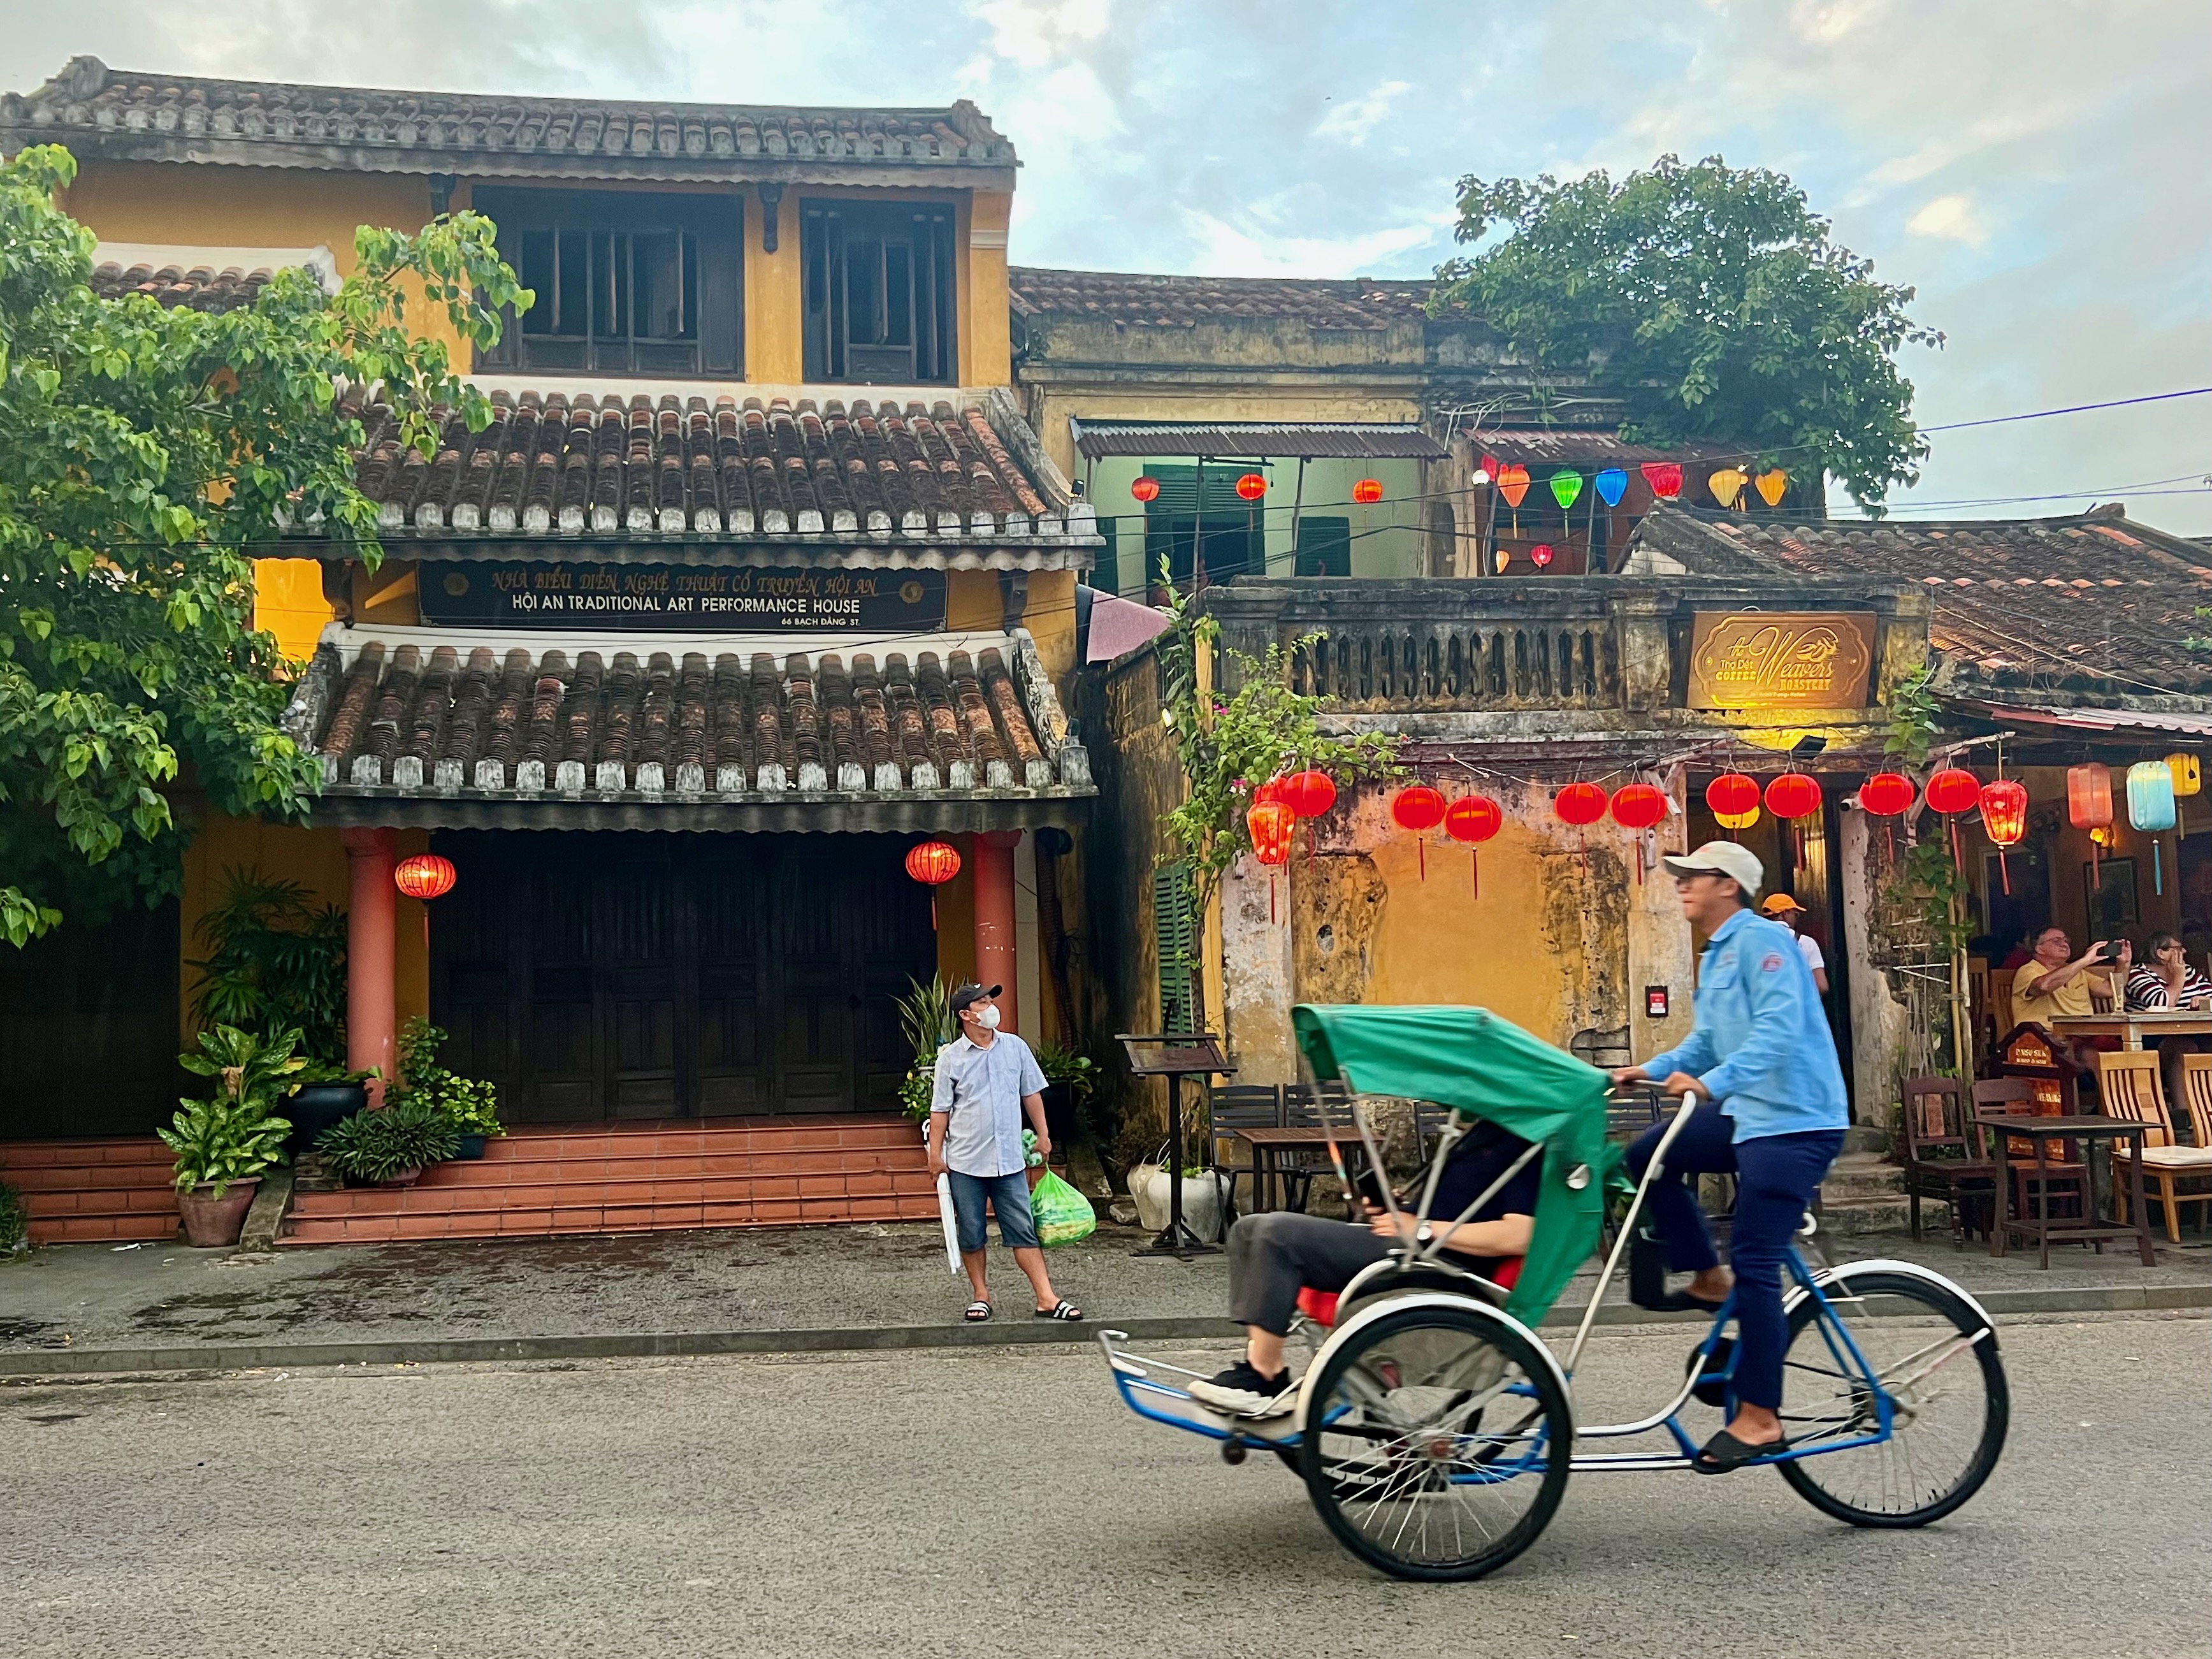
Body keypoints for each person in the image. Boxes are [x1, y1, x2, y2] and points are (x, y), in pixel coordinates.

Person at [1610, 841, 1847, 1475]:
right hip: (1750, 1113)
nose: (1682, 884)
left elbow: (1779, 1030)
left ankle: (1761, 1416)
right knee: (1648, 1153)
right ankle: (1706, 1276)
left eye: (1695, 876)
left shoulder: (1764, 941)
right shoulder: (1716, 952)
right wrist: (1647, 1069)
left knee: (1756, 1259)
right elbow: (1708, 1040)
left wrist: (1710, 1084)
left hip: (1796, 1120)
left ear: (1728, 884)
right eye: (1682, 876)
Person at [1186, 1119, 1541, 1418]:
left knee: (1274, 1235)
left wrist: (1420, 1227)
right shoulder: (1478, 1136)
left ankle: (1264, 1377)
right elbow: (1453, 1207)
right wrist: (1395, 1210)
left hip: (1438, 1266)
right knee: (1247, 1230)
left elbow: (1521, 1236)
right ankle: (1259, 1367)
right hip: (1411, 1248)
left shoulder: (1522, 1144)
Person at [925, 982, 1081, 1324]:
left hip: (1009, 1161)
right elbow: (940, 1111)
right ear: (966, 1015)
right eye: (982, 1003)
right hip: (966, 1162)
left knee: (1023, 1231)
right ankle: (980, 1296)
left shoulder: (1015, 1047)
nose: (990, 1007)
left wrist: (1044, 1135)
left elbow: (1032, 1094)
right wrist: (936, 1156)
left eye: (990, 1000)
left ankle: (1047, 1298)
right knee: (971, 1232)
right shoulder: (951, 1058)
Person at [2013, 925, 2129, 1073]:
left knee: (2132, 1052)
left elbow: (2110, 990)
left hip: (2083, 1034)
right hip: (2046, 1038)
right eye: (2057, 941)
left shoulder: (2077, 971)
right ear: (2039, 949)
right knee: (2092, 1056)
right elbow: (2043, 986)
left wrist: (2123, 964)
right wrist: (2084, 961)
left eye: (2066, 940)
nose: (2064, 944)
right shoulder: (2028, 970)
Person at [2123, 931, 2212, 1105]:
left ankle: (2205, 1108)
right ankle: (2183, 1113)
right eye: (2178, 948)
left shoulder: (2190, 972)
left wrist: (2204, 1000)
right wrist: (2178, 978)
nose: (2184, 951)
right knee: (2183, 1047)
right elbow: (2163, 1004)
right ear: (2160, 953)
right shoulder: (2138, 975)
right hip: (2149, 1037)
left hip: (2191, 1031)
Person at [1758, 892, 1829, 994]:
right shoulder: (1806, 942)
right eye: (1795, 914)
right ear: (1785, 913)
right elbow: (1822, 986)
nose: (1797, 918)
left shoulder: (1753, 942)